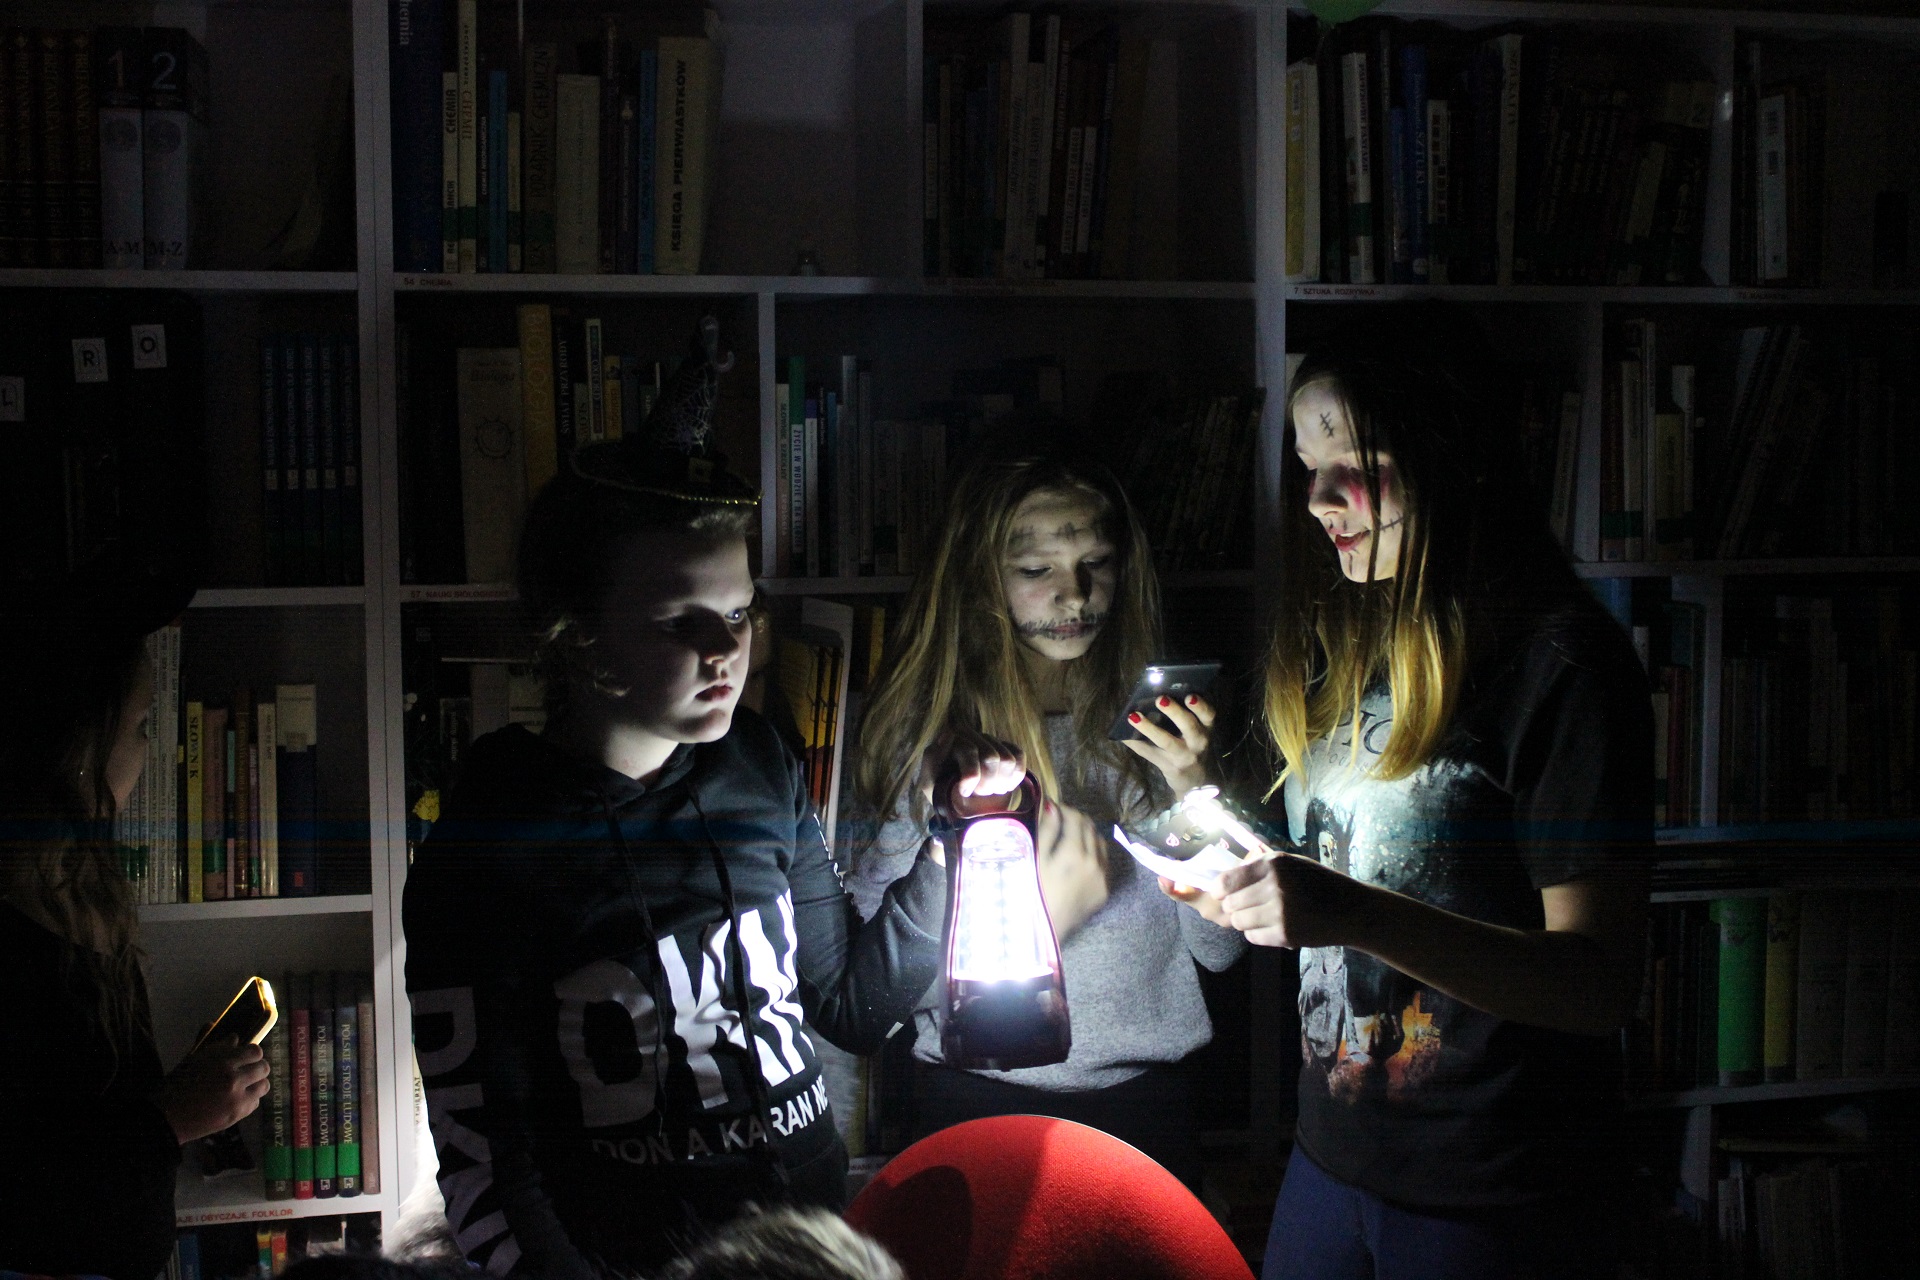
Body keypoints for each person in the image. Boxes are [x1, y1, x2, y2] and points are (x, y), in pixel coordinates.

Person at [403, 321, 1019, 1279]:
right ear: (577, 637)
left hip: (811, 1248)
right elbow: (491, 1166)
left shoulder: (760, 763)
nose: (727, 650)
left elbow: (851, 1007)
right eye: (679, 622)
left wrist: (950, 841)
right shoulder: (495, 842)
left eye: (737, 613)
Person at [1170, 304, 1653, 1280]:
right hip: (1332, 1158)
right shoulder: (1344, 641)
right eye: (1308, 467)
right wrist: (1204, 799)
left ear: (1452, 457)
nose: (1320, 500)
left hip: (1493, 1194)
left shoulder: (1560, 665)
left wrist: (1348, 912)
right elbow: (1338, 862)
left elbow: (1597, 982)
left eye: (1355, 464)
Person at [843, 438, 1245, 1191]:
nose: (1076, 595)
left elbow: (1220, 951)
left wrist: (1195, 788)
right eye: (1037, 571)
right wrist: (1044, 921)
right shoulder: (929, 744)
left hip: (1150, 1107)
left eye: (1097, 562)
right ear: (981, 578)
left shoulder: (1156, 731)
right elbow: (874, 1000)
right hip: (975, 1103)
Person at [0, 572, 270, 1280]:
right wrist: (171, 1118)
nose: (150, 750)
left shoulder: (80, 895)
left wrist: (176, 1102)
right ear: (80, 745)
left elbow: (83, 1117)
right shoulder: (22, 929)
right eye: (143, 725)